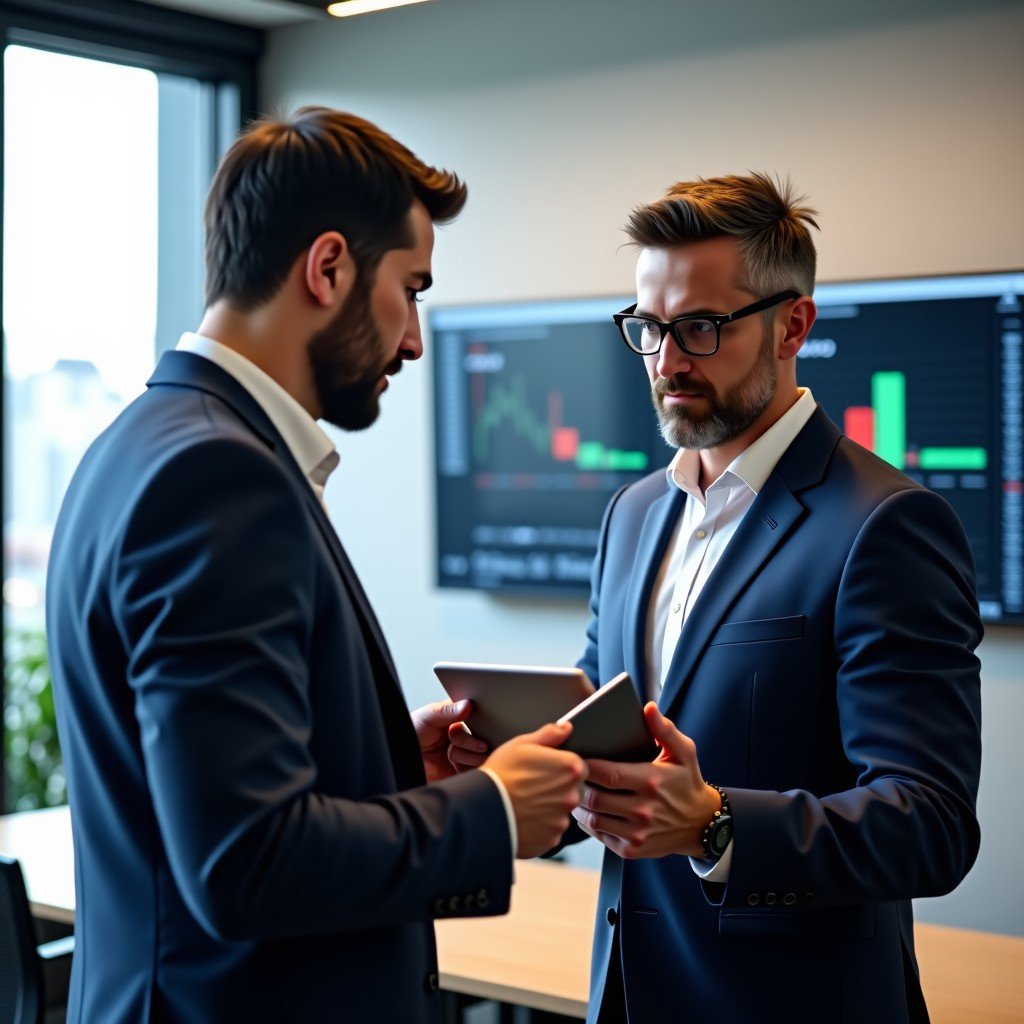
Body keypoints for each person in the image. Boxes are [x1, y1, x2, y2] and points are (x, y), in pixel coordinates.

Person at [45, 106, 586, 1024]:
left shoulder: (137, 443)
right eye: (410, 290)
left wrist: (387, 773)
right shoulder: (218, 477)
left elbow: (212, 799)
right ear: (328, 266)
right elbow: (245, 863)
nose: (414, 340)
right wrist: (490, 811)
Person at [451, 173, 982, 1023]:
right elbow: (610, 742)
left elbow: (931, 824)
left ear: (793, 325)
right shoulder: (632, 514)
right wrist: (519, 779)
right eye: (649, 328)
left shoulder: (886, 525)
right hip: (628, 994)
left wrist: (717, 826)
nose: (666, 361)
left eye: (699, 326)